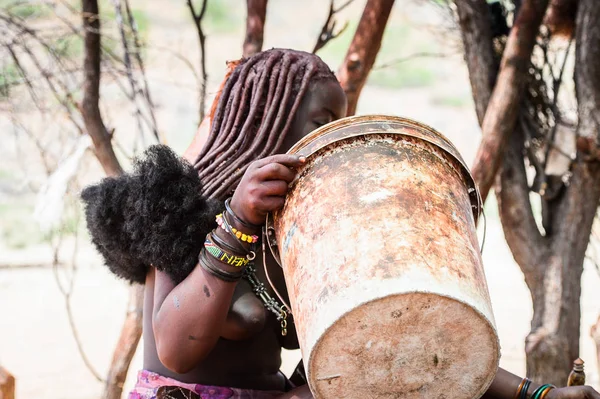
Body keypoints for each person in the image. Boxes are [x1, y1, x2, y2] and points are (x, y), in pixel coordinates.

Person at [81, 48, 600, 399]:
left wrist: (539, 393)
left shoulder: (302, 229)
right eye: (322, 122)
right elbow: (176, 348)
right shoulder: (186, 203)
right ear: (268, 118)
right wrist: (238, 218)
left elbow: (399, 333)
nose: (331, 140)